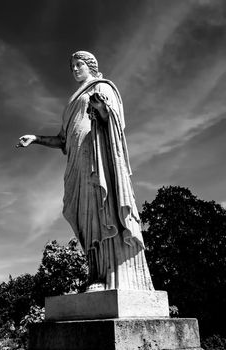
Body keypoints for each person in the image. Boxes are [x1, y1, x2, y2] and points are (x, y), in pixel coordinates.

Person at [17, 51, 154, 292]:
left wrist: (101, 108)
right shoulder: (72, 101)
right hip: (77, 164)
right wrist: (35, 138)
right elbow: (62, 140)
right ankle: (96, 273)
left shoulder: (102, 86)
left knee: (102, 212)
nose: (75, 69)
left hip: (97, 159)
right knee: (86, 217)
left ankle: (111, 275)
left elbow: (114, 119)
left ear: (90, 65)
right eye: (72, 66)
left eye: (79, 64)